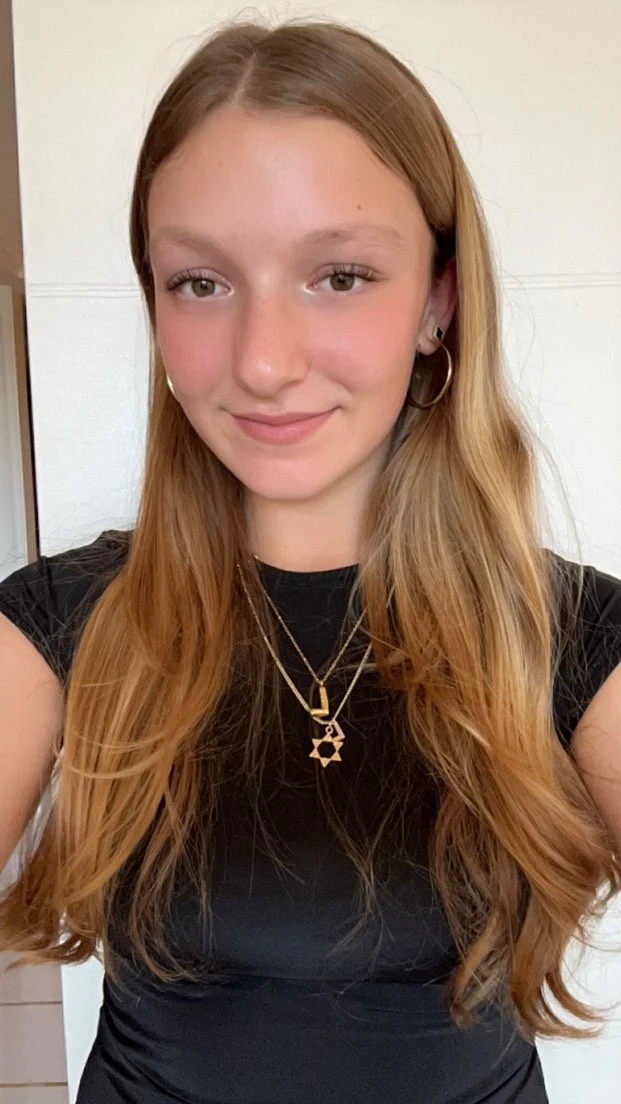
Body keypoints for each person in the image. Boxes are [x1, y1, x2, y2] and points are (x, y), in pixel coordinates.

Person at [1, 16, 620, 1104]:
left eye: (339, 274)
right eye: (200, 282)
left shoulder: (572, 640)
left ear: (439, 300)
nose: (264, 361)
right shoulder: (55, 629)